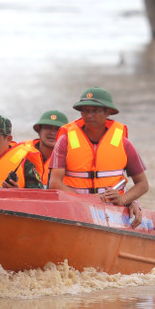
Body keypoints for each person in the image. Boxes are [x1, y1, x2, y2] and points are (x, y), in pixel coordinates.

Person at [48, 87, 148, 227]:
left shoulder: (123, 143)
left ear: (108, 112)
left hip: (112, 210)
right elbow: (54, 183)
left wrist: (124, 200)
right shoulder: (65, 141)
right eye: (85, 111)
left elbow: (143, 184)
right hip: (74, 208)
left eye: (95, 111)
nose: (89, 115)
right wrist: (85, 201)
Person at [23, 109, 69, 186]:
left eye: (58, 129)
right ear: (39, 131)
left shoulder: (71, 157)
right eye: (48, 127)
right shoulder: (22, 152)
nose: (52, 133)